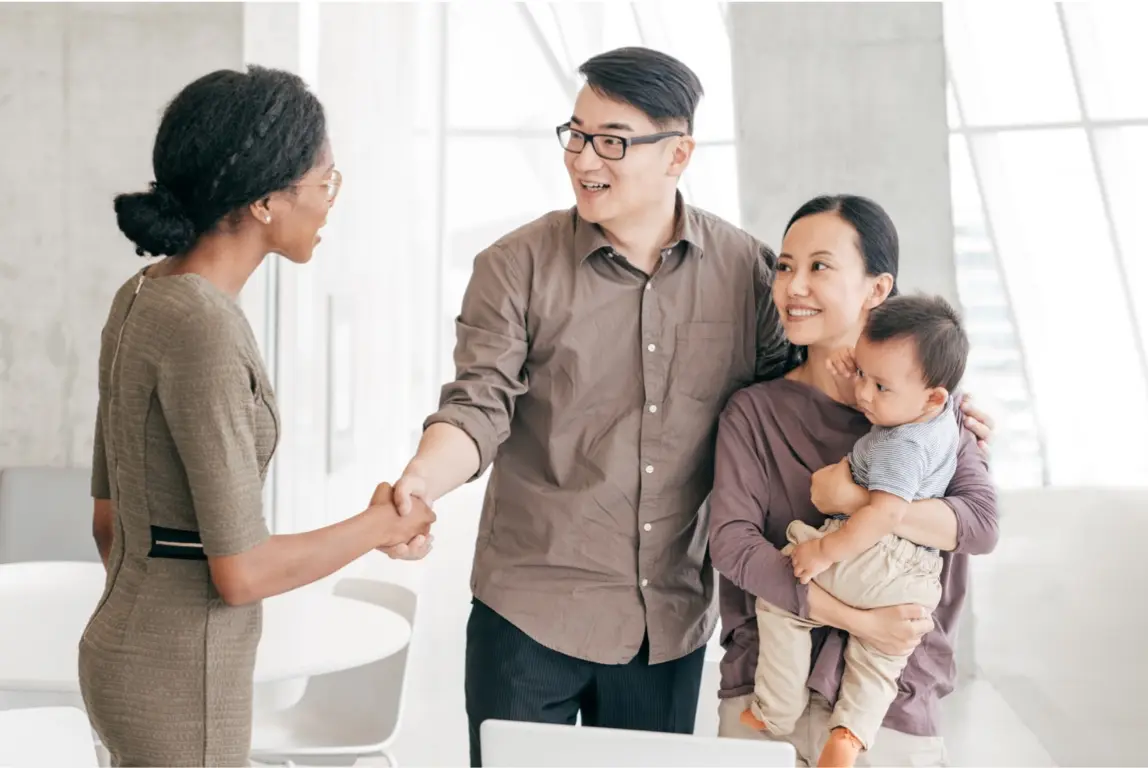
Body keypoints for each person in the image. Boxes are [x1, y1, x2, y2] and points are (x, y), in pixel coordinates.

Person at [380, 48, 993, 766]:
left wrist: (936, 413)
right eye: (575, 135)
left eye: (612, 140)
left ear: (678, 154)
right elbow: (478, 405)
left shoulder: (747, 272)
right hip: (531, 607)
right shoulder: (514, 267)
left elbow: (810, 383)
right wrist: (422, 478)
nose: (584, 159)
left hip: (666, 622)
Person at [81, 66, 435, 767]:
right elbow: (239, 574)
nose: (332, 202)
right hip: (183, 677)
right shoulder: (204, 327)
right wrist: (382, 525)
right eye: (325, 181)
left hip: (126, 648)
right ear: (268, 200)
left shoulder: (143, 295)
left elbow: (109, 521)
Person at [709, 195, 999, 767]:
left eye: (820, 266)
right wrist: (860, 620)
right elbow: (732, 545)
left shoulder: (941, 412)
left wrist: (855, 499)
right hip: (767, 695)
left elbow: (980, 528)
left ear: (876, 288)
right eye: (785, 266)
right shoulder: (754, 411)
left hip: (889, 703)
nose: (793, 286)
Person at [739, 294, 971, 768]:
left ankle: (775, 710)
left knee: (783, 595)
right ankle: (849, 734)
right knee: (879, 662)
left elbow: (882, 515)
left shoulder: (899, 447)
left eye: (880, 387)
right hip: (918, 577)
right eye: (860, 374)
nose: (863, 394)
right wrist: (868, 370)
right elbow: (898, 377)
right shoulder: (947, 416)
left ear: (933, 397)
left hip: (870, 555)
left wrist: (826, 550)